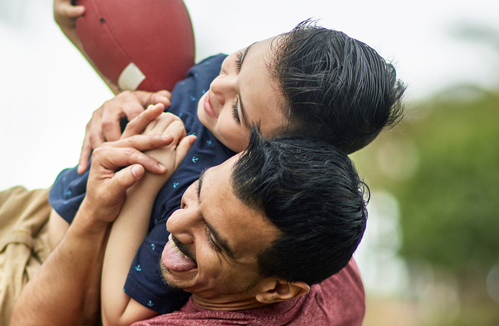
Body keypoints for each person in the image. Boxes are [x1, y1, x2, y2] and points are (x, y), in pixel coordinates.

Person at [49, 2, 405, 322]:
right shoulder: (216, 83)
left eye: (237, 110)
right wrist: (75, 28)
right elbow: (133, 70)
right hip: (54, 198)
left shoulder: (206, 200)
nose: (218, 88)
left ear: (280, 150)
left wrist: (144, 182)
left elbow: (121, 314)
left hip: (58, 257)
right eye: (238, 59)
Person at [13, 129, 370, 326]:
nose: (174, 221)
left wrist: (94, 213)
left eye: (213, 239)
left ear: (277, 289)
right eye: (198, 190)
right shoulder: (338, 272)